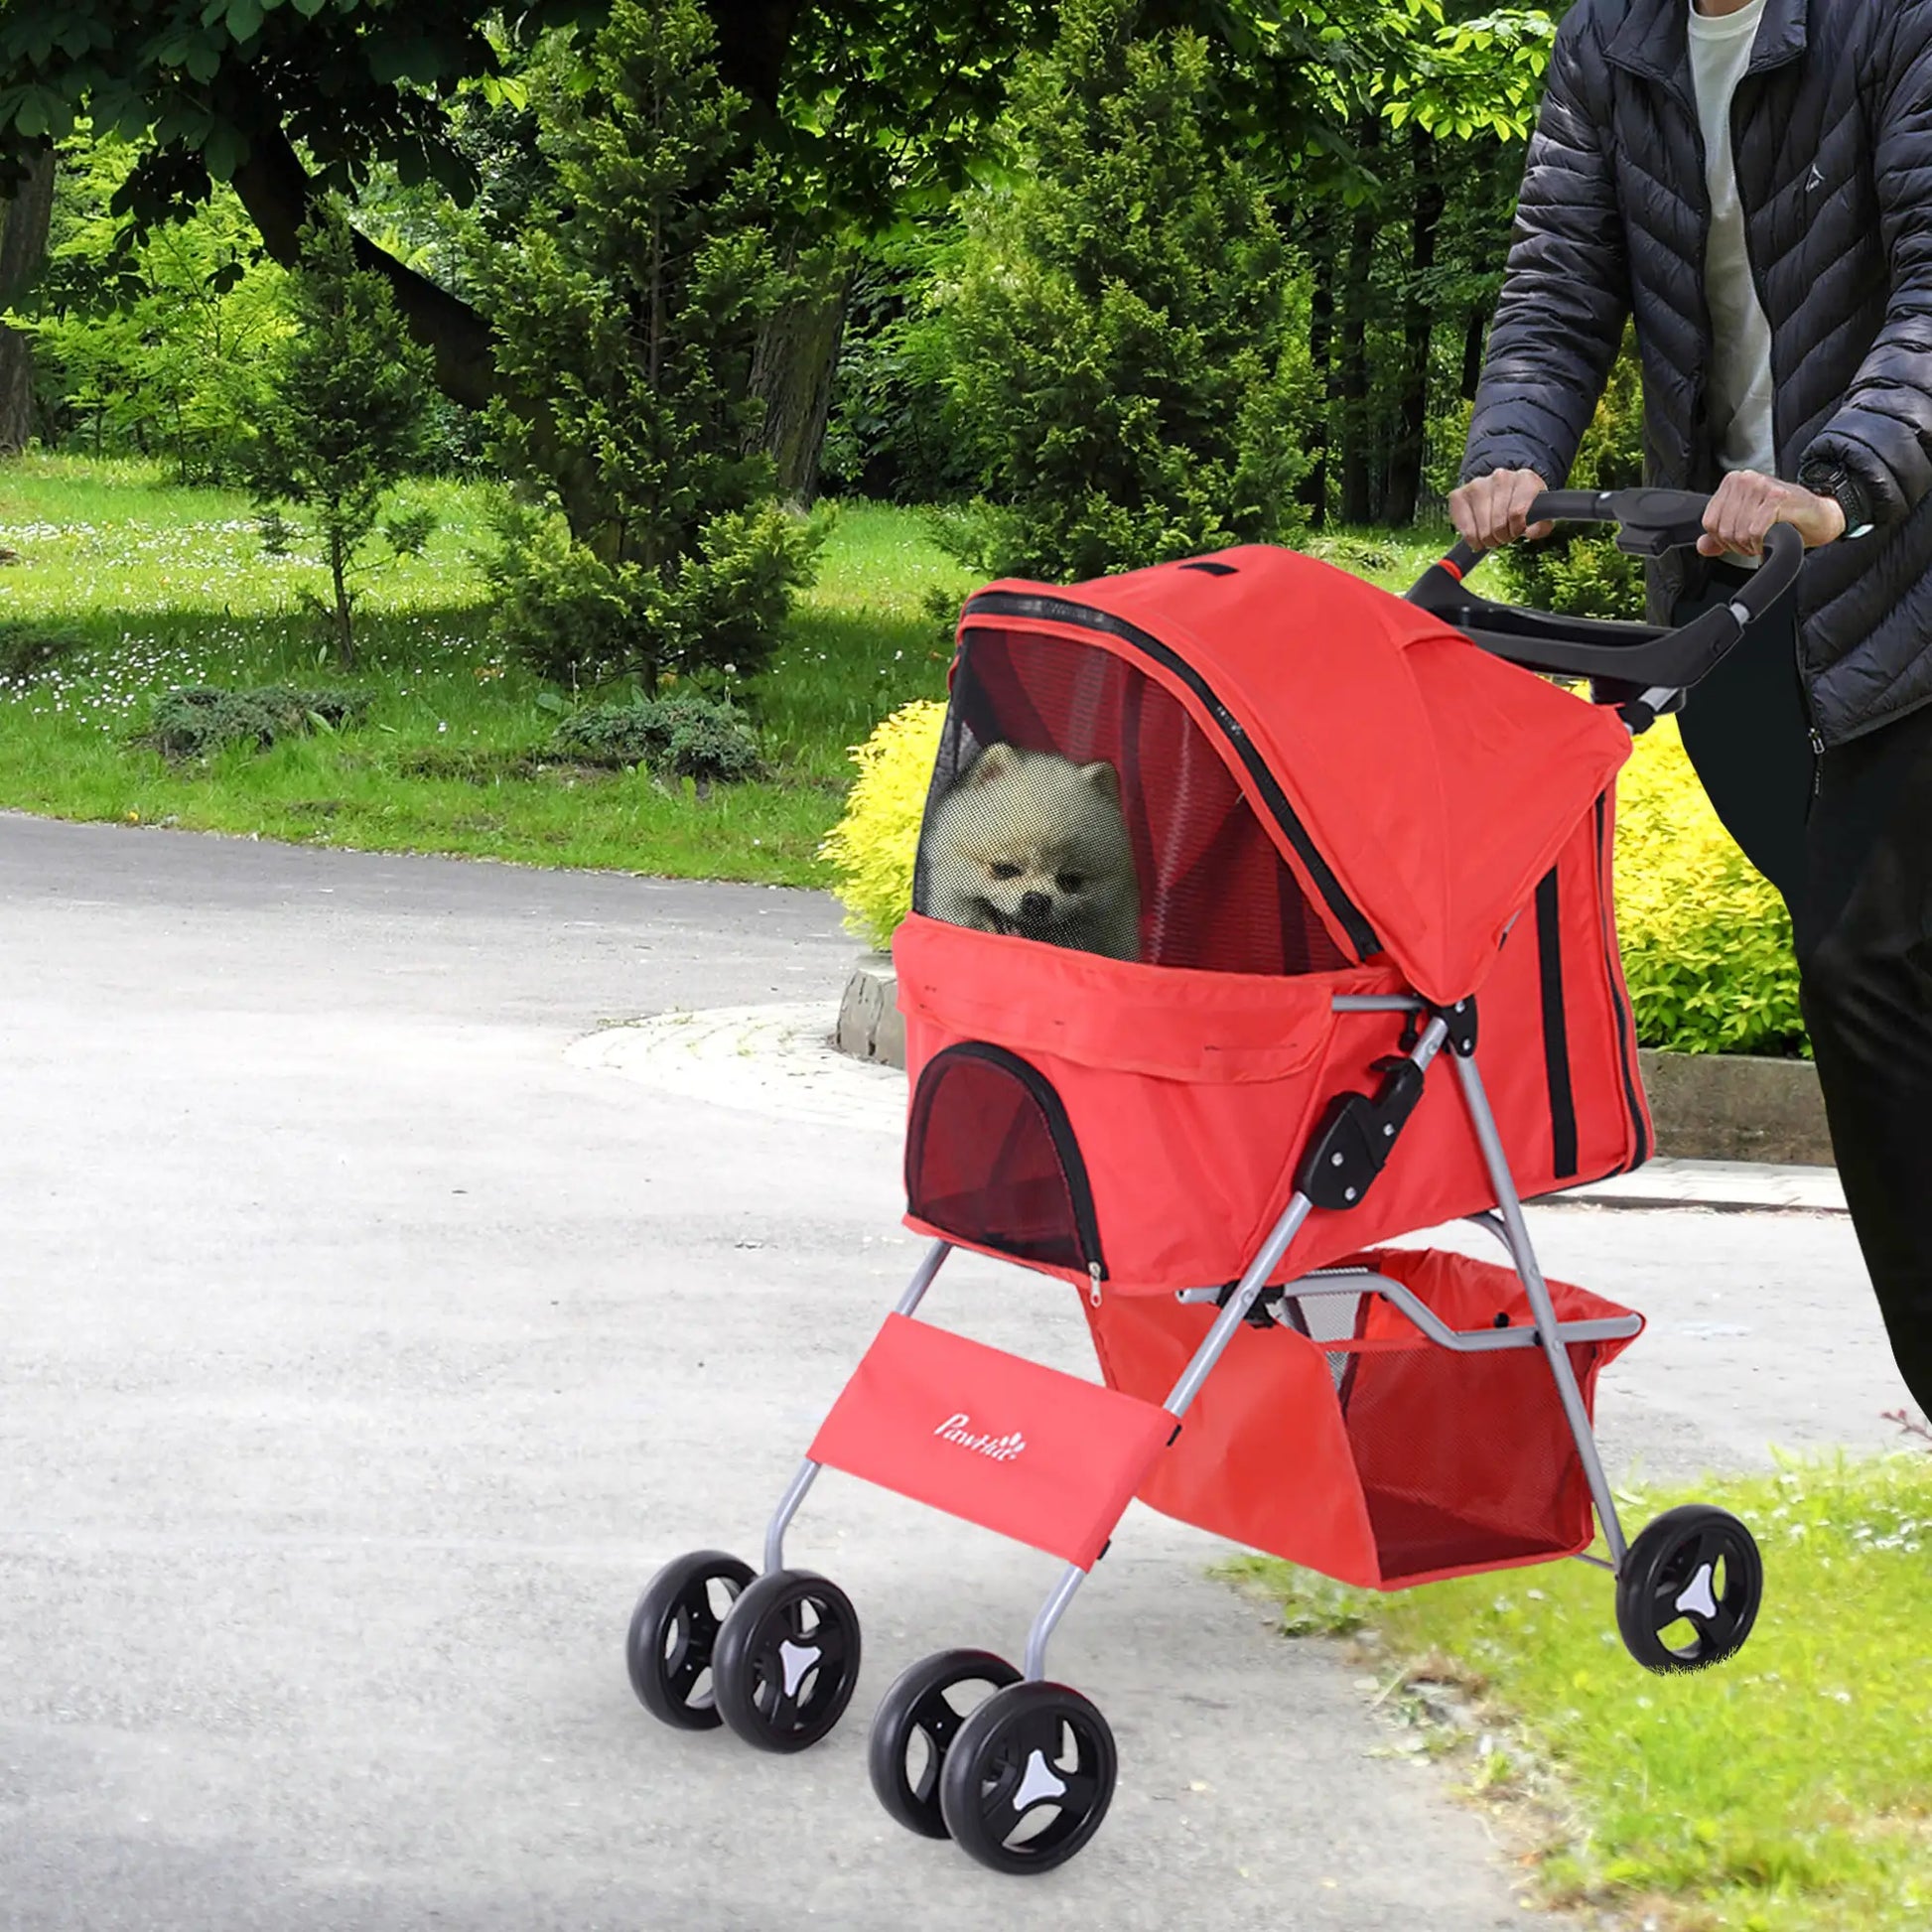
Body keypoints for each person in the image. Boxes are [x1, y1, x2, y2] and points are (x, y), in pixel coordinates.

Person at [1451, 0, 1932, 1415]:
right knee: (1872, 986)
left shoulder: (1890, 23)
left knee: (1865, 968)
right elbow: (1555, 283)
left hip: (1900, 563)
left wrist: (1842, 477)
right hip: (1737, 592)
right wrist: (1510, 456)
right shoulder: (1613, 40)